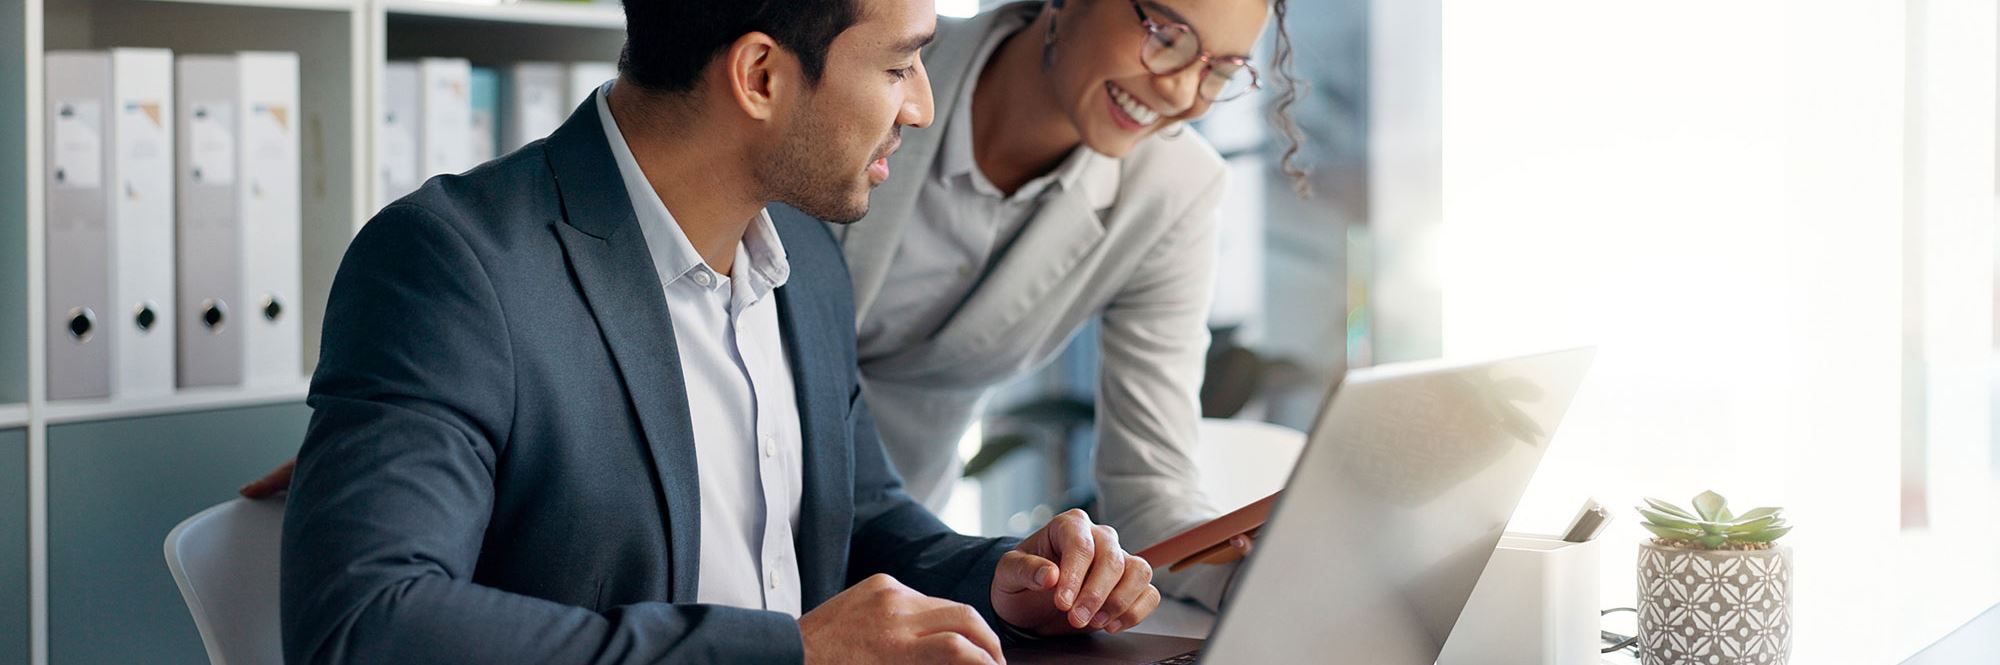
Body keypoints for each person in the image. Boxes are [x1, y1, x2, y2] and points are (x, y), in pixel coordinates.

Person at [252, 0, 1304, 611]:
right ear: (760, 73)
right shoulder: (449, 262)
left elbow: (857, 515)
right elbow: (367, 624)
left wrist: (1003, 574)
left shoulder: (794, 245)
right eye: (899, 64)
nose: (920, 105)